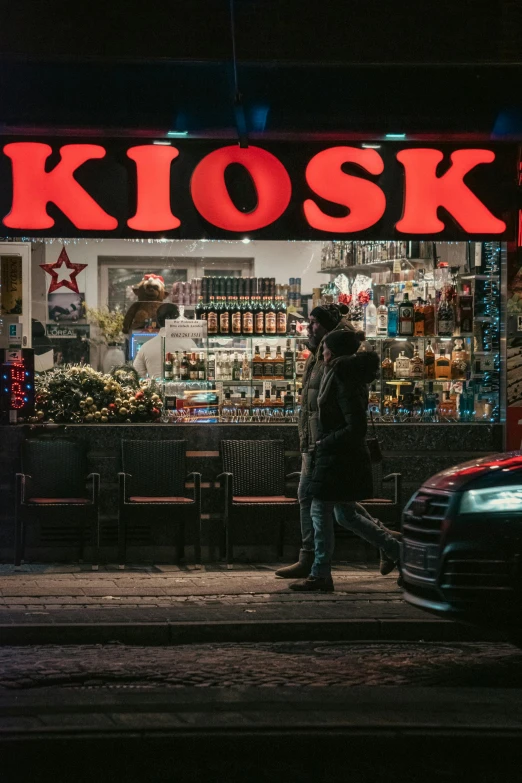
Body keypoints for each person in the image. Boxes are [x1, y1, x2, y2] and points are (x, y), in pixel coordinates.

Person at [289, 329, 401, 592]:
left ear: (334, 352)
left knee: (320, 510)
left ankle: (320, 574)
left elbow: (355, 426)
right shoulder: (344, 372)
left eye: (326, 349)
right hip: (340, 455)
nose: (322, 353)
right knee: (346, 514)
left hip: (338, 455)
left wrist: (323, 442)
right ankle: (399, 552)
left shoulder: (342, 375)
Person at [275, 303, 355, 579]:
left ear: (328, 325)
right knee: (341, 508)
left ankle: (312, 562)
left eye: (314, 322)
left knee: (327, 503)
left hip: (323, 439)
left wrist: (320, 439)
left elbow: (332, 404)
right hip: (314, 437)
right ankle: (391, 545)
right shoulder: (318, 352)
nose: (309, 327)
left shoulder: (333, 356)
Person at [133, 302, 195, 379]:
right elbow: (200, 368)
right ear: (175, 319)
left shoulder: (145, 347)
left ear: (157, 320)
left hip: (155, 390)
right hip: (183, 390)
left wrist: (148, 385)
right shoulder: (188, 343)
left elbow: (137, 374)